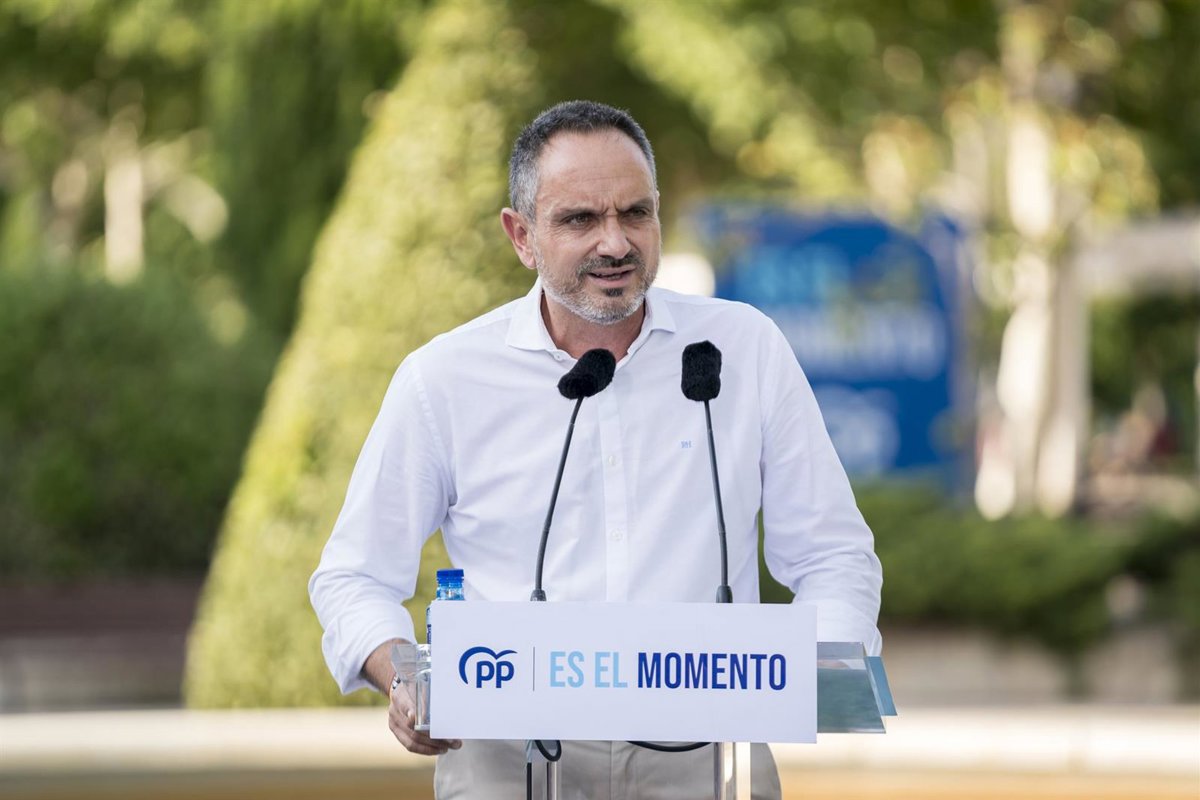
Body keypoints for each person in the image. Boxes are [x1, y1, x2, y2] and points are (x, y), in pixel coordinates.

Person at [309, 100, 883, 799]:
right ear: (522, 236)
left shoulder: (743, 349)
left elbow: (832, 553)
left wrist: (814, 670)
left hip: (708, 751)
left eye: (635, 213)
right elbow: (354, 576)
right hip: (508, 752)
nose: (615, 242)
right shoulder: (444, 378)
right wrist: (405, 676)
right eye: (580, 219)